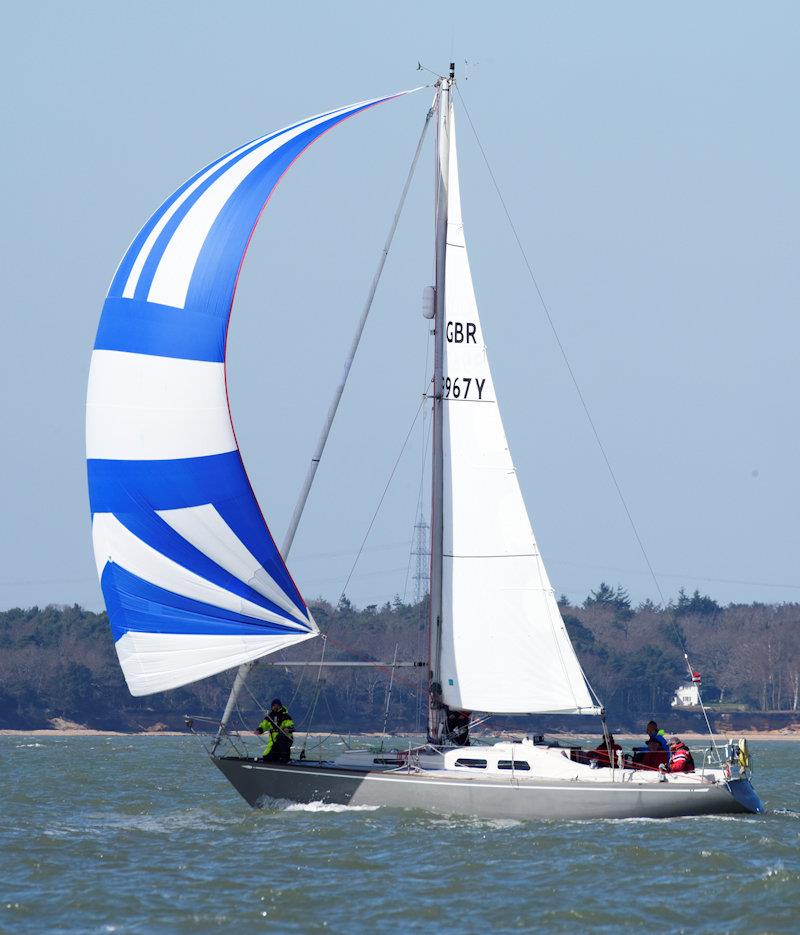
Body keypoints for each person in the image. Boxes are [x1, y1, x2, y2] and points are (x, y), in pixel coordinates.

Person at [255, 698, 295, 763]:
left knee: (280, 739)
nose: (275, 707)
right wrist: (259, 730)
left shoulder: (285, 716)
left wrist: (288, 729)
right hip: (272, 740)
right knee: (266, 757)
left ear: (280, 706)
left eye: (277, 705)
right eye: (274, 705)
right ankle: (275, 761)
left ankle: (285, 760)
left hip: (285, 739)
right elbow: (264, 725)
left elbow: (291, 725)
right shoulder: (270, 716)